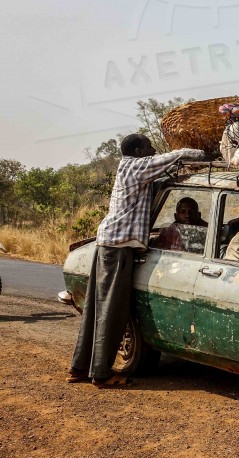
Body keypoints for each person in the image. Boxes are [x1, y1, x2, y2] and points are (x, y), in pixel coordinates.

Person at [67, 134, 203, 387]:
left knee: (97, 309)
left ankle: (80, 367)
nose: (153, 151)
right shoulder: (134, 166)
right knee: (113, 311)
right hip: (118, 247)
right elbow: (174, 156)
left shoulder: (133, 170)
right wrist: (198, 153)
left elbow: (163, 172)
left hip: (110, 244)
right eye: (150, 148)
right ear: (139, 151)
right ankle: (101, 373)